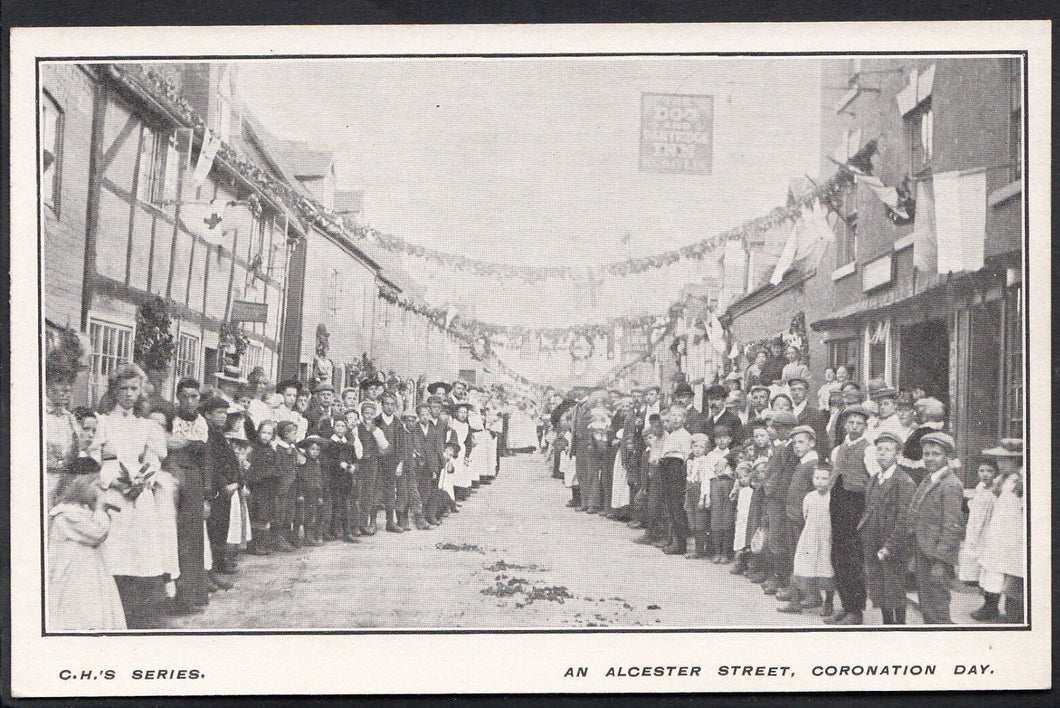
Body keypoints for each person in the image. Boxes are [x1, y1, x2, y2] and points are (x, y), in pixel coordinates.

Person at [90, 363, 177, 629]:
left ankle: (142, 612)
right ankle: (113, 610)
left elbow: (153, 459)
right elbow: (94, 457)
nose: (129, 394)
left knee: (141, 548)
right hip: (112, 491)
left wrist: (143, 480)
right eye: (124, 388)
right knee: (114, 549)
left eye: (134, 389)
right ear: (114, 390)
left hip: (140, 493)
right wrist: (113, 481)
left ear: (141, 392)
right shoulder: (102, 422)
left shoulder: (147, 426)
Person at [47, 476, 127, 631]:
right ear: (83, 487)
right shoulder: (67, 514)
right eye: (96, 487)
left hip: (87, 572)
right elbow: (98, 532)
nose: (99, 493)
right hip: (74, 575)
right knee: (81, 614)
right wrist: (100, 510)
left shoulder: (79, 512)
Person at [901, 431, 963, 624]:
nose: (930, 458)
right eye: (926, 454)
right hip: (923, 551)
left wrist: (941, 562)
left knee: (938, 604)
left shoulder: (950, 484)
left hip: (936, 555)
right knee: (926, 603)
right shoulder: (929, 479)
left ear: (947, 457)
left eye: (935, 454)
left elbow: (952, 527)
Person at [823, 405, 876, 625]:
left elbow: (873, 481)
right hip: (838, 503)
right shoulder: (838, 450)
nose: (854, 427)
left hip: (855, 506)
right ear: (845, 425)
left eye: (859, 423)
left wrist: (866, 512)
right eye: (851, 422)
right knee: (838, 557)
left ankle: (856, 610)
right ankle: (845, 605)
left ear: (865, 426)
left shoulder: (869, 450)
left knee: (853, 559)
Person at [860, 431, 916, 625]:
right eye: (880, 449)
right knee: (879, 587)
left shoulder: (903, 481)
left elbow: (905, 519)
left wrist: (889, 546)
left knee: (895, 589)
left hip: (894, 545)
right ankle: (887, 624)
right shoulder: (875, 479)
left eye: (888, 450)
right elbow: (869, 511)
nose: (882, 453)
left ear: (898, 455)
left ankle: (899, 626)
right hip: (874, 542)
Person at [975, 439, 1025, 623]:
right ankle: (990, 606)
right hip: (999, 531)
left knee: (1015, 573)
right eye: (999, 459)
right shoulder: (1001, 481)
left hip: (1015, 534)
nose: (999, 463)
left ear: (1016, 461)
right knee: (992, 569)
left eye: (1005, 460)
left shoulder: (1021, 482)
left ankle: (1016, 613)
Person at [779, 462, 836, 616]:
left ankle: (828, 602)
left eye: (824, 478)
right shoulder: (809, 497)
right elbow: (805, 515)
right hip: (809, 537)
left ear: (831, 480)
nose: (820, 481)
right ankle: (795, 602)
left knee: (825, 568)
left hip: (825, 538)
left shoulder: (833, 498)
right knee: (801, 565)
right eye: (817, 477)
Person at [775, 424, 819, 608]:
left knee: (804, 558)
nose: (797, 446)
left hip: (803, 520)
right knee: (796, 556)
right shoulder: (802, 463)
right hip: (793, 517)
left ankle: (807, 596)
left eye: (801, 442)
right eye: (794, 443)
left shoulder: (813, 465)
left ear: (812, 443)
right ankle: (800, 592)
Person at [760, 410, 799, 596]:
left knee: (781, 539)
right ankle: (777, 575)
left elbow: (785, 477)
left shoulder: (792, 449)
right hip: (774, 498)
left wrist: (772, 489)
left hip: (781, 500)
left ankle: (782, 578)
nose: (776, 431)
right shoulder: (783, 447)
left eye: (780, 428)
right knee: (774, 538)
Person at [658, 407, 693, 555]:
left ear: (684, 419)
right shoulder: (671, 435)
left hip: (676, 469)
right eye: (673, 416)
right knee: (669, 505)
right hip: (667, 467)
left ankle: (680, 543)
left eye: (679, 416)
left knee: (677, 506)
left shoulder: (685, 435)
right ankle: (672, 539)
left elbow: (685, 455)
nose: (675, 419)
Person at [325, 417, 363, 542]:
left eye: (342, 426)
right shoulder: (329, 444)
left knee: (345, 505)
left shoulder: (349, 445)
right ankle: (333, 530)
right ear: (333, 428)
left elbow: (355, 460)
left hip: (346, 480)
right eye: (337, 426)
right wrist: (338, 464)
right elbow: (326, 461)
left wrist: (353, 467)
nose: (340, 429)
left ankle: (346, 532)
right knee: (334, 505)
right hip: (333, 479)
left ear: (346, 429)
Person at [705, 426, 737, 563]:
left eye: (725, 437)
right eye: (718, 437)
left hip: (729, 484)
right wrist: (706, 495)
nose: (722, 440)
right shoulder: (711, 455)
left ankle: (725, 553)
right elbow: (707, 475)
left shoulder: (733, 454)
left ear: (730, 439)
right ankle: (717, 552)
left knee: (728, 519)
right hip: (715, 484)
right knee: (716, 519)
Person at [270, 420, 302, 551]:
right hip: (282, 487)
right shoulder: (278, 449)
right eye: (294, 433)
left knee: (290, 512)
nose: (296, 436)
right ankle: (277, 539)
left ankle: (286, 536)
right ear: (285, 434)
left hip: (292, 486)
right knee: (280, 512)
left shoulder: (293, 449)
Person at [683, 433, 711, 560]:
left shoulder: (705, 461)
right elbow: (688, 480)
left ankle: (700, 550)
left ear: (706, 449)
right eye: (695, 446)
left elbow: (705, 480)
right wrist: (686, 497)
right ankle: (695, 548)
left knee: (700, 522)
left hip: (700, 491)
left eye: (701, 447)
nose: (698, 449)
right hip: (691, 491)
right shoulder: (690, 461)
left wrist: (703, 498)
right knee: (692, 521)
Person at [295, 435, 327, 547]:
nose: (315, 452)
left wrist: (321, 495)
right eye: (312, 449)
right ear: (307, 450)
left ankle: (317, 534)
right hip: (306, 493)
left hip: (317, 492)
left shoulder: (318, 463)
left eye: (318, 449)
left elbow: (320, 480)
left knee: (318, 513)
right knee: (309, 514)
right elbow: (300, 479)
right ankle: (308, 536)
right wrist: (300, 494)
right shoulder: (304, 463)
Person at [791, 377, 830, 460]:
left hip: (807, 459)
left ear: (806, 392)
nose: (796, 393)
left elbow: (822, 442)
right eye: (793, 390)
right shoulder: (789, 412)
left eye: (800, 389)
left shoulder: (815, 414)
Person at [729, 461, 756, 575]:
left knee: (749, 541)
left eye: (746, 476)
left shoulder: (753, 490)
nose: (743, 479)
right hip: (741, 519)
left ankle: (751, 565)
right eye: (740, 478)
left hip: (749, 520)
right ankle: (740, 563)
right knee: (740, 540)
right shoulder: (740, 490)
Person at [704, 384, 744, 449]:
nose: (713, 403)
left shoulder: (734, 420)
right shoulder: (707, 423)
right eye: (711, 399)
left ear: (724, 400)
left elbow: (737, 444)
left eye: (717, 399)